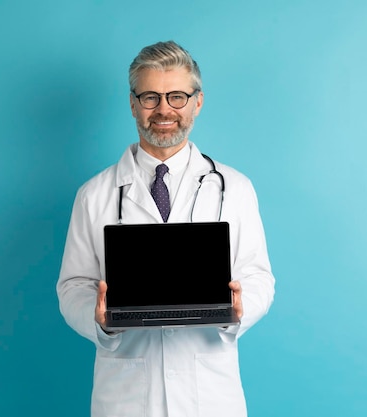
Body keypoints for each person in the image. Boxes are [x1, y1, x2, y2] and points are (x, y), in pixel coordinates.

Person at [56, 40, 275, 417]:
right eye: (150, 97)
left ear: (197, 102)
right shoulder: (94, 195)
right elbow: (72, 285)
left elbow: (259, 277)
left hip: (209, 396)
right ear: (132, 104)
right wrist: (99, 317)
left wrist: (241, 307)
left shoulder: (235, 188)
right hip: (126, 397)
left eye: (176, 96)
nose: (164, 110)